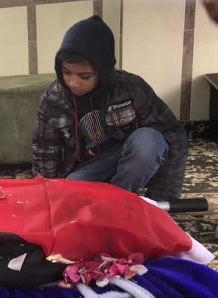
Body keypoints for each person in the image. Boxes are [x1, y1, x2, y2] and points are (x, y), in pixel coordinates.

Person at [32, 15, 188, 201]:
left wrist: (163, 197)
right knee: (72, 191)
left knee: (148, 142)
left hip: (129, 160)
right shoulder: (54, 99)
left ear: (103, 71)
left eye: (84, 76)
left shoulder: (130, 87)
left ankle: (120, 200)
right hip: (88, 168)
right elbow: (45, 152)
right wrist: (47, 198)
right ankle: (111, 201)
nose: (73, 82)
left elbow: (173, 135)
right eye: (66, 72)